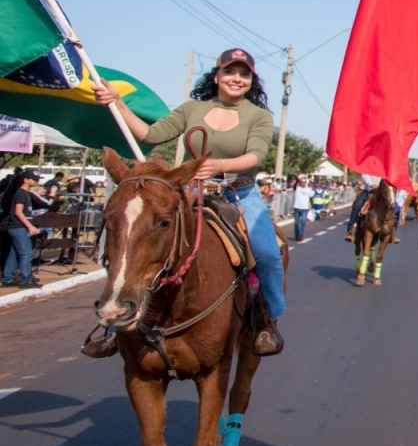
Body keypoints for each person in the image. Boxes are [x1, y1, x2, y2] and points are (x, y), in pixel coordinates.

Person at [89, 47, 286, 356]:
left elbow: (256, 155)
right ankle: (117, 321)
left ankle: (265, 321)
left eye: (244, 74)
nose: (237, 78)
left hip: (240, 192)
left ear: (251, 80)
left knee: (267, 253)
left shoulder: (258, 115)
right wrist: (118, 103)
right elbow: (151, 135)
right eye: (230, 72)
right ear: (217, 74)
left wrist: (222, 165)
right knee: (136, 241)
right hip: (192, 192)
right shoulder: (192, 109)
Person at [1, 169, 44, 288]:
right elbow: (18, 212)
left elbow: (23, 212)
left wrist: (31, 217)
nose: (36, 182)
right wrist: (30, 226)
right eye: (34, 179)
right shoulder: (21, 193)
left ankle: (7, 278)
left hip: (18, 227)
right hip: (18, 227)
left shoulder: (26, 194)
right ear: (25, 180)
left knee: (14, 253)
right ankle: (26, 279)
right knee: (26, 253)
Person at [292, 176, 315, 242]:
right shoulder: (297, 188)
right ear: (300, 183)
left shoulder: (308, 189)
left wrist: (312, 207)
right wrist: (298, 179)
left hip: (304, 208)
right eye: (302, 182)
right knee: (296, 223)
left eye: (304, 182)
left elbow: (311, 198)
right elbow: (294, 185)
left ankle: (301, 235)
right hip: (297, 207)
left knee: (303, 222)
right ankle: (297, 235)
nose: (303, 183)